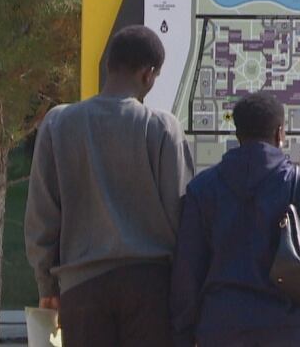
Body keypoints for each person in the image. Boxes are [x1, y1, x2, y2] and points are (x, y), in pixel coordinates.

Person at [24, 25, 194, 347]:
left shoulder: (58, 124)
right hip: (150, 287)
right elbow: (179, 217)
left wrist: (46, 285)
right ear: (148, 74)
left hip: (81, 287)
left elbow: (42, 214)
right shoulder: (162, 128)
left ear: (109, 65)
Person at [171, 92, 300, 347]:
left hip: (220, 328)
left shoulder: (202, 189)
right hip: (289, 330)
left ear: (238, 134)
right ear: (280, 132)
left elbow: (188, 272)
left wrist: (184, 334)